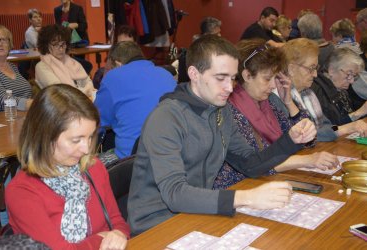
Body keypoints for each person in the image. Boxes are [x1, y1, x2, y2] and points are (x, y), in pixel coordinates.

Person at [127, 35, 317, 235]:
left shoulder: (221, 111)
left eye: (233, 78)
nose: (229, 87)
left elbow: (250, 164)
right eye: (220, 78)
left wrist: (290, 141)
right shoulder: (166, 118)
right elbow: (175, 194)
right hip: (155, 226)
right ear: (194, 74)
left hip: (196, 213)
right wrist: (247, 198)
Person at [6, 84, 130, 250]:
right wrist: (102, 239)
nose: (86, 149)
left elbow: (116, 221)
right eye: (76, 140)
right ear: (45, 136)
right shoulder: (22, 191)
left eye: (90, 137)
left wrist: (119, 234)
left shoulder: (93, 168)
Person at [213, 38, 337, 189]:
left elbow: (308, 141)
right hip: (238, 187)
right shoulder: (229, 109)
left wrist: (289, 102)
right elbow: (256, 164)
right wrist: (308, 161)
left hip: (265, 182)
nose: (273, 86)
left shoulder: (269, 101)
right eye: (267, 79)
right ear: (246, 75)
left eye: (275, 78)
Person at [95, 41, 176, 159]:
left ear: (118, 64)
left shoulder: (114, 77)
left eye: (107, 69)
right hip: (169, 154)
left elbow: (95, 120)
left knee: (88, 169)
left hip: (131, 161)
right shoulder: (166, 75)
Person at [280, 38, 367, 141]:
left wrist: (342, 128)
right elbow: (308, 134)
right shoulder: (282, 98)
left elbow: (330, 127)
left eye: (316, 68)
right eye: (311, 68)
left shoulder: (308, 93)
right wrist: (348, 127)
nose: (315, 74)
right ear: (291, 69)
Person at [35, 24, 96, 100]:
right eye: (56, 45)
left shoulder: (72, 62)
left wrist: (85, 92)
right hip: (59, 107)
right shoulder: (41, 66)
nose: (61, 49)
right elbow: (61, 91)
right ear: (46, 45)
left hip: (81, 101)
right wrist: (85, 92)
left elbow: (89, 82)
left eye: (63, 44)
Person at [311, 48, 367, 125]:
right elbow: (332, 129)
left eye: (354, 76)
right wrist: (359, 113)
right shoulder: (317, 92)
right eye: (348, 74)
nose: (352, 81)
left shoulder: (339, 87)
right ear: (332, 70)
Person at [0, 25, 33, 111]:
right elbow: (3, 100)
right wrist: (35, 104)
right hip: (5, 119)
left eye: (4, 40)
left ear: (9, 44)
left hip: (26, 115)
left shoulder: (12, 67)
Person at [93, 25, 137, 89]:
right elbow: (105, 83)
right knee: (99, 74)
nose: (124, 47)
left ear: (135, 44)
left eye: (128, 44)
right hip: (113, 86)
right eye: (121, 43)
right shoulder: (113, 57)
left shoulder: (138, 60)